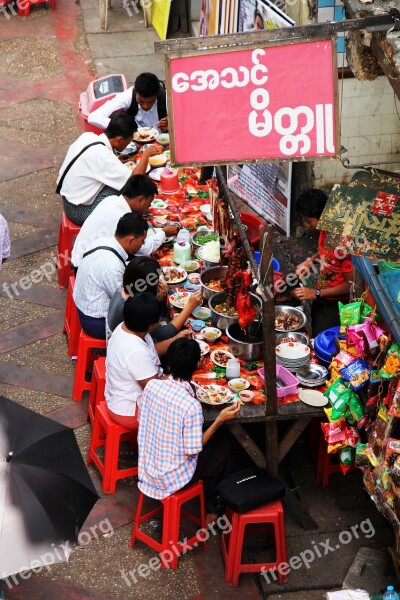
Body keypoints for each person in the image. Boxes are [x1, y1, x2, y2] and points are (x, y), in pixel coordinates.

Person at [138, 338, 240, 520]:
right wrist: (219, 420)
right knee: (223, 446)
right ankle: (213, 508)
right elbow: (193, 449)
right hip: (171, 479)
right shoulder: (191, 406)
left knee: (216, 443)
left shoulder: (152, 386)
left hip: (147, 468)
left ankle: (212, 505)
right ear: (197, 365)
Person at [57, 113, 158, 226]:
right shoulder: (103, 156)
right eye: (129, 141)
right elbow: (134, 181)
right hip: (80, 212)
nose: (128, 144)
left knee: (118, 182)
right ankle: (131, 225)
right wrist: (146, 155)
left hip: (69, 201)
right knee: (127, 192)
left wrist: (116, 159)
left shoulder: (88, 136)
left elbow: (95, 163)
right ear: (119, 140)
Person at [71, 175, 180, 269]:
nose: (149, 206)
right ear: (140, 200)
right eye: (149, 202)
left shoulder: (112, 199)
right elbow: (142, 248)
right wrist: (164, 233)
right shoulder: (122, 217)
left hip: (82, 256)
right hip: (86, 266)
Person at [73, 212, 148, 340]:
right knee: (145, 323)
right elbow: (124, 302)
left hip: (83, 303)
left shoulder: (102, 240)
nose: (143, 245)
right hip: (95, 322)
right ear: (131, 239)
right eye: (142, 241)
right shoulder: (112, 267)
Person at [107, 256, 202, 354]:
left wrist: (157, 298)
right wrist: (190, 306)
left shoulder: (127, 287)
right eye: (156, 281)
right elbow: (166, 333)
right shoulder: (135, 307)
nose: (159, 283)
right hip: (135, 350)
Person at [293, 188, 353, 337]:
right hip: (321, 295)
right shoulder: (325, 230)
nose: (307, 226)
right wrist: (310, 262)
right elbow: (326, 252)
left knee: (325, 341)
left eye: (309, 221)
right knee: (315, 325)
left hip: (337, 306)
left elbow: (350, 286)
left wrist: (316, 293)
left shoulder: (344, 243)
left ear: (322, 216)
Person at [105, 293, 163, 429]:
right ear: (152, 326)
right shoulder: (135, 351)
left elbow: (151, 353)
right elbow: (155, 391)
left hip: (119, 393)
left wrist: (175, 340)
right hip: (130, 411)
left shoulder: (126, 326)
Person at [88, 72, 168, 133]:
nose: (145, 106)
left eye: (150, 102)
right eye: (141, 101)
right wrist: (122, 127)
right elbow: (94, 117)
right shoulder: (127, 97)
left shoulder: (168, 99)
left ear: (156, 95)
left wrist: (171, 126)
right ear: (135, 92)